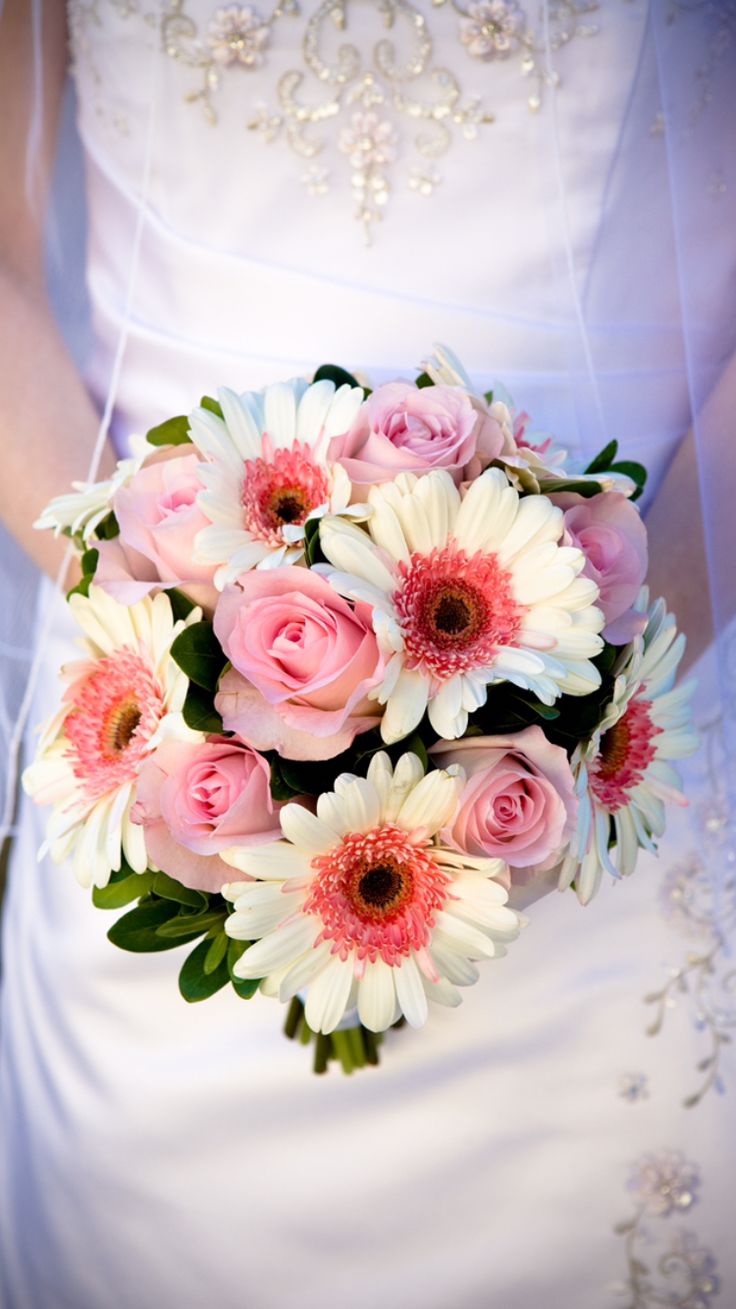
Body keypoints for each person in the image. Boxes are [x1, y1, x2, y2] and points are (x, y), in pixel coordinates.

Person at [1, 2, 734, 1306]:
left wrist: (620, 649)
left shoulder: (619, 662)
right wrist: (151, 626)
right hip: (155, 715)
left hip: (625, 706)